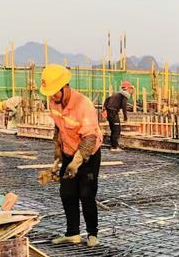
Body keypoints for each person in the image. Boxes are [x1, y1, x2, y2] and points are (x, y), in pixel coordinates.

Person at [39, 64, 104, 247]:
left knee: (86, 194)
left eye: (54, 93)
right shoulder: (54, 102)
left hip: (88, 155)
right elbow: (58, 126)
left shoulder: (84, 105)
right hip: (68, 151)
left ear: (64, 87)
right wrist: (58, 149)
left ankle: (92, 234)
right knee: (67, 193)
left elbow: (89, 138)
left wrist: (76, 163)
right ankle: (73, 233)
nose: (51, 97)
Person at [103, 81, 133, 150]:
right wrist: (125, 117)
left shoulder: (117, 94)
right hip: (113, 113)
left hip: (110, 112)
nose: (131, 91)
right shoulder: (125, 95)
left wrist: (105, 109)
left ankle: (113, 145)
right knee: (117, 130)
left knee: (113, 129)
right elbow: (124, 106)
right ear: (127, 88)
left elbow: (107, 99)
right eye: (130, 88)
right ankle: (114, 147)